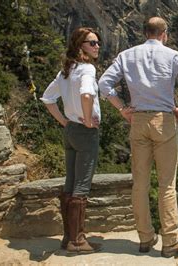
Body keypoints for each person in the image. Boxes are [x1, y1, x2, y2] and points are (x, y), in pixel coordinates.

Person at [99, 17, 178, 258]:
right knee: (167, 184)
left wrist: (122, 108)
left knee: (140, 183)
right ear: (164, 33)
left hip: (138, 120)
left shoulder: (127, 55)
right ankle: (170, 242)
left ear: (145, 32)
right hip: (164, 120)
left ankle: (145, 238)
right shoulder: (173, 55)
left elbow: (104, 83)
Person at [40, 27, 102, 254]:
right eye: (92, 43)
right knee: (81, 185)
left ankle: (69, 238)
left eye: (97, 42)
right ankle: (77, 241)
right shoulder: (86, 70)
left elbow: (48, 99)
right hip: (85, 133)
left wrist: (65, 121)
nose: (97, 46)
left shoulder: (65, 72)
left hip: (70, 131)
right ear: (80, 46)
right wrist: (87, 120)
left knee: (70, 182)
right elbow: (87, 94)